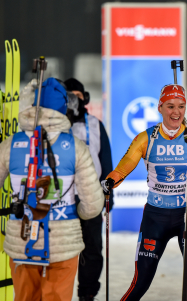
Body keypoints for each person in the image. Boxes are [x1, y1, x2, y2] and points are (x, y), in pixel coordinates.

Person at [0, 78, 105, 300]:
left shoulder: (11, 144)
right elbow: (92, 208)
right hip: (63, 244)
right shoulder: (77, 148)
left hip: (23, 241)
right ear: (64, 107)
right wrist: (76, 211)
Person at [101, 83, 187, 301]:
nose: (176, 112)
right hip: (155, 218)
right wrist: (109, 181)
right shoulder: (147, 138)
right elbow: (124, 166)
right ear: (160, 107)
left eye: (181, 106)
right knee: (140, 283)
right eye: (170, 106)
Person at [64, 78, 114, 301]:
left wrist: (107, 194)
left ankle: (88, 293)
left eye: (79, 95)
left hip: (91, 197)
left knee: (92, 249)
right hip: (62, 199)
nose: (75, 100)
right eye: (70, 95)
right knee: (61, 250)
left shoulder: (95, 124)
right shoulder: (54, 125)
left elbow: (106, 161)